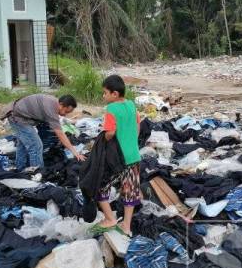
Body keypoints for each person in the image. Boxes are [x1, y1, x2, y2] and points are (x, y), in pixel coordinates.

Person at [96, 75, 142, 236]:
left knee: (100, 187)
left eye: (105, 93)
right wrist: (132, 141)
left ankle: (110, 219)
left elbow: (110, 133)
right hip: (134, 156)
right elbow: (137, 125)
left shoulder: (111, 109)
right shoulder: (131, 104)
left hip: (118, 159)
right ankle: (126, 226)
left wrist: (105, 139)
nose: (104, 96)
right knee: (130, 190)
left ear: (114, 94)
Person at [8, 94, 85, 171]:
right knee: (36, 146)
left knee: (23, 145)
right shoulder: (51, 110)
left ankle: (20, 168)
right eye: (66, 111)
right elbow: (61, 134)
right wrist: (75, 152)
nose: (65, 114)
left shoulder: (53, 102)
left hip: (17, 114)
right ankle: (37, 174)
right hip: (18, 118)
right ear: (61, 105)